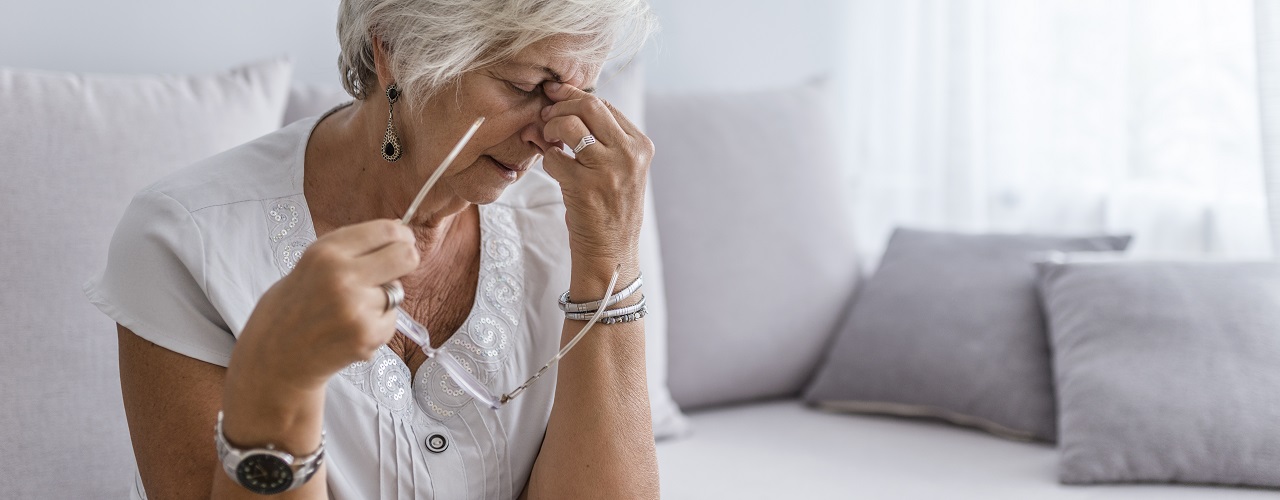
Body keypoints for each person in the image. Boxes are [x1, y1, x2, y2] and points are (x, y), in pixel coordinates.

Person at [84, 1, 660, 498]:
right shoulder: (187, 239)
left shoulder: (571, 219)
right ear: (397, 50)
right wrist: (280, 382)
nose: (551, 133)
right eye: (524, 86)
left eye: (580, 94)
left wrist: (610, 259)